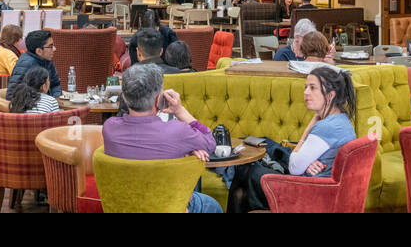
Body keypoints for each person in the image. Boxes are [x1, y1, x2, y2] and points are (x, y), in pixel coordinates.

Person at [228, 66, 359, 213]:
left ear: (330, 95)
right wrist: (307, 163)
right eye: (305, 87)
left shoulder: (326, 127)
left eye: (313, 88)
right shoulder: (342, 120)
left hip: (306, 195)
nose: (306, 92)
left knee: (248, 172)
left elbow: (294, 168)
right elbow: (310, 160)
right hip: (320, 189)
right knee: (242, 190)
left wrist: (306, 132)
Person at [102, 64, 221, 213]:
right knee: (210, 204)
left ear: (125, 97)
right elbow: (210, 143)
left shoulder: (109, 129)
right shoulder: (177, 132)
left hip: (126, 206)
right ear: (158, 99)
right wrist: (180, 111)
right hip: (167, 206)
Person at [6, 29, 62, 97]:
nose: (54, 49)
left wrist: (55, 98)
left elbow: (55, 84)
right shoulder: (25, 64)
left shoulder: (47, 60)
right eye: (50, 46)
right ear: (39, 51)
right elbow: (11, 95)